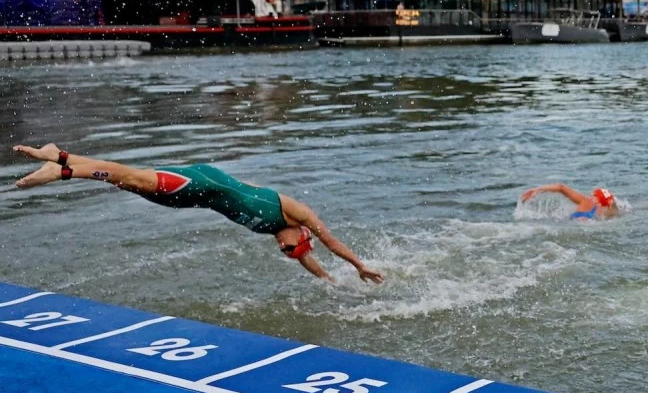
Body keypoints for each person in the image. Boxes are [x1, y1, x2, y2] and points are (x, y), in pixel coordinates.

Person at [12, 143, 384, 282]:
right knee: (132, 178)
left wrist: (330, 283)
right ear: (300, 235)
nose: (283, 250)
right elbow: (331, 243)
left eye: (286, 254)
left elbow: (311, 262)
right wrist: (359, 266)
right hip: (205, 182)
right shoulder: (296, 212)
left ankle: (60, 156)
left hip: (191, 198)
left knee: (125, 180)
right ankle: (61, 172)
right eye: (291, 249)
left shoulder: (277, 233)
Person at [520, 183, 619, 220]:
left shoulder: (587, 202)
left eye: (593, 196)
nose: (590, 197)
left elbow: (561, 187)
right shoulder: (608, 213)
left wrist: (538, 189)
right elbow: (561, 188)